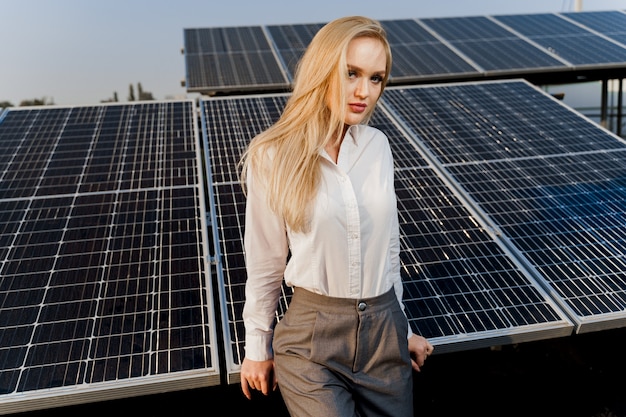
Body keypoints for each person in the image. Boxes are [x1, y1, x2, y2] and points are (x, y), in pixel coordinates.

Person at [238, 15, 434, 417]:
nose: (364, 91)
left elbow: (388, 253)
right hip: (312, 341)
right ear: (323, 68)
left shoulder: (378, 146)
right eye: (352, 73)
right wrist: (257, 347)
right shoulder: (271, 156)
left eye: (376, 78)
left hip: (385, 333)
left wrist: (403, 330)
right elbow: (266, 262)